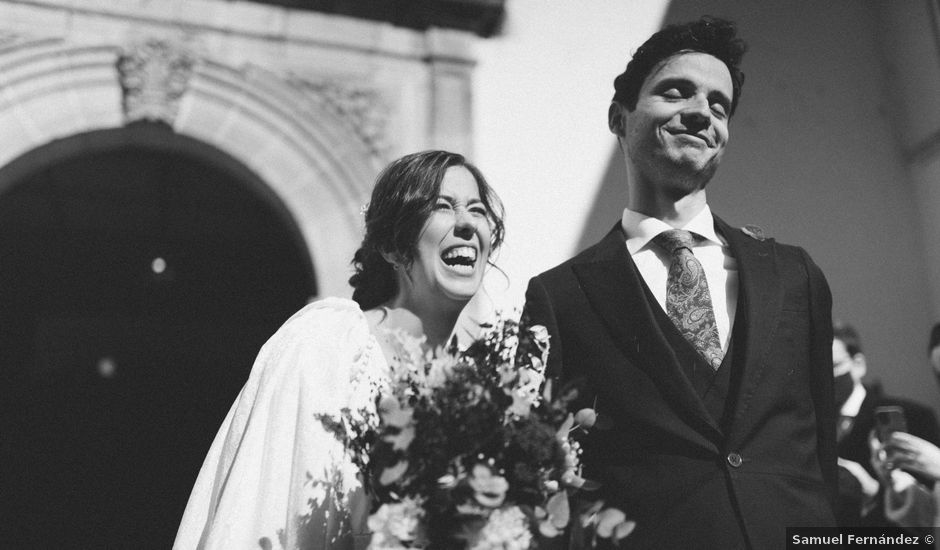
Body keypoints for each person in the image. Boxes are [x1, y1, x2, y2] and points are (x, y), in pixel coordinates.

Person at [523, 17, 836, 549]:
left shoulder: (795, 274)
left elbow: (822, 453)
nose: (701, 113)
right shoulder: (559, 295)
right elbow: (544, 472)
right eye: (676, 92)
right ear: (618, 118)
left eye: (719, 105)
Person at [173, 150, 505, 549]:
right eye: (442, 206)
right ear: (394, 246)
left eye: (477, 209)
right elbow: (261, 513)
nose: (467, 223)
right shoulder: (328, 342)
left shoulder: (475, 392)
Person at [831, 322, 940, 526]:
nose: (825, 378)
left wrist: (874, 490)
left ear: (858, 364)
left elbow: (927, 530)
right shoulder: (806, 427)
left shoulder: (915, 416)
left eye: (833, 366)